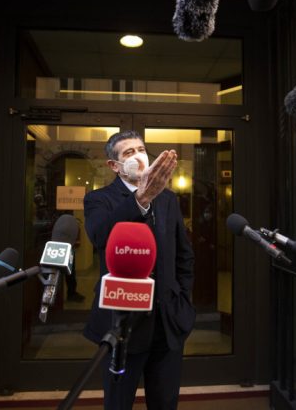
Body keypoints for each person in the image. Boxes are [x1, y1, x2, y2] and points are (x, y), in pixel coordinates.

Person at [83, 131, 195, 409]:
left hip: (167, 323)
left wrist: (183, 301)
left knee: (165, 401)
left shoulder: (168, 199)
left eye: (141, 149)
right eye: (129, 152)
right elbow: (100, 236)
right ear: (114, 165)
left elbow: (184, 255)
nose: (139, 156)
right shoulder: (99, 199)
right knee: (118, 402)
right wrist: (140, 199)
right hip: (123, 326)